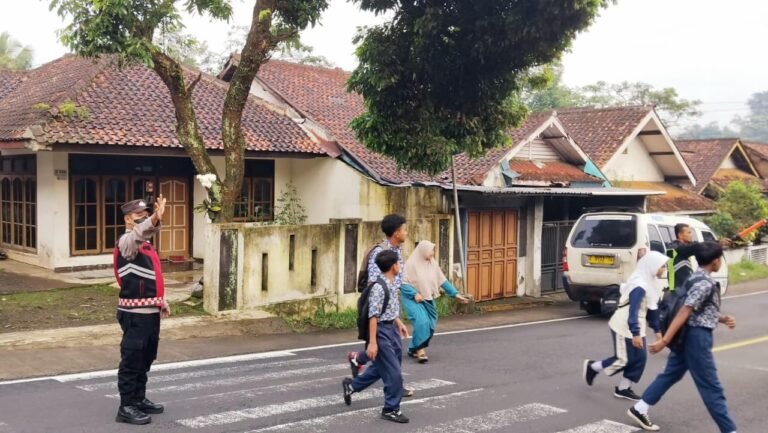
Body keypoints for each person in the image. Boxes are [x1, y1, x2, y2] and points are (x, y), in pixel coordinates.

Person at [627, 242, 738, 432]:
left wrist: (721, 318)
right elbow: (684, 311)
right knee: (711, 387)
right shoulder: (704, 283)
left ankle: (640, 408)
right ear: (715, 261)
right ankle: (730, 430)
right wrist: (664, 341)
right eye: (720, 258)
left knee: (672, 374)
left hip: (685, 334)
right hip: (696, 337)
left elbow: (696, 308)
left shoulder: (694, 277)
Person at [113, 196, 172, 425]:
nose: (144, 219)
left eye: (146, 215)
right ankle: (126, 406)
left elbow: (150, 278)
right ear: (127, 219)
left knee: (146, 358)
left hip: (149, 311)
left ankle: (138, 399)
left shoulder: (146, 246)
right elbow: (139, 233)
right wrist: (156, 217)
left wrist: (161, 301)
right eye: (139, 216)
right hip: (134, 315)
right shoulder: (126, 242)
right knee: (132, 359)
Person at [583, 251, 668, 401]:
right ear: (652, 266)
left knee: (640, 359)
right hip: (624, 324)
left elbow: (652, 311)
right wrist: (635, 334)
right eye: (662, 266)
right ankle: (593, 367)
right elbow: (632, 311)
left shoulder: (652, 283)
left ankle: (623, 388)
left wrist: (658, 334)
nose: (664, 269)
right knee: (623, 359)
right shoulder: (639, 286)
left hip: (636, 325)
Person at [343, 250, 411, 423]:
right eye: (398, 263)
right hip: (381, 332)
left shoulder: (391, 283)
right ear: (393, 266)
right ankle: (391, 409)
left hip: (391, 329)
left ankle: (352, 386)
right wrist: (373, 342)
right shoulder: (379, 288)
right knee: (394, 373)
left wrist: (398, 323)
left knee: (381, 368)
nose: (400, 266)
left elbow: (388, 308)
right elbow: (373, 316)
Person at [347, 215, 410, 387]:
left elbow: (394, 286)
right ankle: (395, 387)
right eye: (404, 229)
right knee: (386, 354)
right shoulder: (381, 253)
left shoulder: (397, 251)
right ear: (396, 233)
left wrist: (396, 317)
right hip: (379, 313)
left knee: (392, 353)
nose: (407, 232)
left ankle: (358, 365)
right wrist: (380, 318)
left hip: (390, 309)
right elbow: (374, 287)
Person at [400, 240, 468, 362]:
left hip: (428, 298)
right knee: (421, 322)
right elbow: (402, 283)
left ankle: (413, 348)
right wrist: (414, 293)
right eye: (431, 250)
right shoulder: (410, 264)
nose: (432, 253)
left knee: (430, 324)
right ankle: (420, 351)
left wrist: (455, 294)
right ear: (423, 251)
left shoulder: (432, 263)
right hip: (413, 299)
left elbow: (442, 280)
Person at [667, 223, 729, 289]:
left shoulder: (682, 246)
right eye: (689, 232)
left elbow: (697, 245)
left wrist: (718, 242)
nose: (691, 235)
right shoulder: (674, 247)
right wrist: (716, 243)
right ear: (680, 235)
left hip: (683, 286)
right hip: (677, 288)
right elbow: (694, 247)